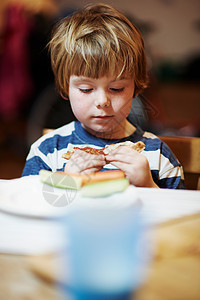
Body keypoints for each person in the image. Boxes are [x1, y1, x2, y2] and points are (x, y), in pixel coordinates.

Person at [22, 3, 184, 189]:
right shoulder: (47, 151)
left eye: (116, 89)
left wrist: (148, 185)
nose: (102, 102)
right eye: (86, 89)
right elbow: (30, 207)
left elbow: (181, 215)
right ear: (65, 89)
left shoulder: (157, 155)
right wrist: (66, 182)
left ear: (136, 88)